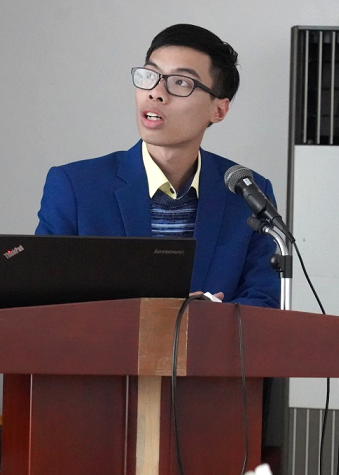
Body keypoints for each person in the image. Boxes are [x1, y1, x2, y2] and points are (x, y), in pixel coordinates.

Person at [35, 23, 280, 308]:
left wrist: (203, 316)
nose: (156, 92)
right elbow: (43, 303)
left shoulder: (247, 193)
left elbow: (264, 302)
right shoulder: (75, 187)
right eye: (150, 75)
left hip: (208, 339)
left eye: (180, 82)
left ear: (218, 109)